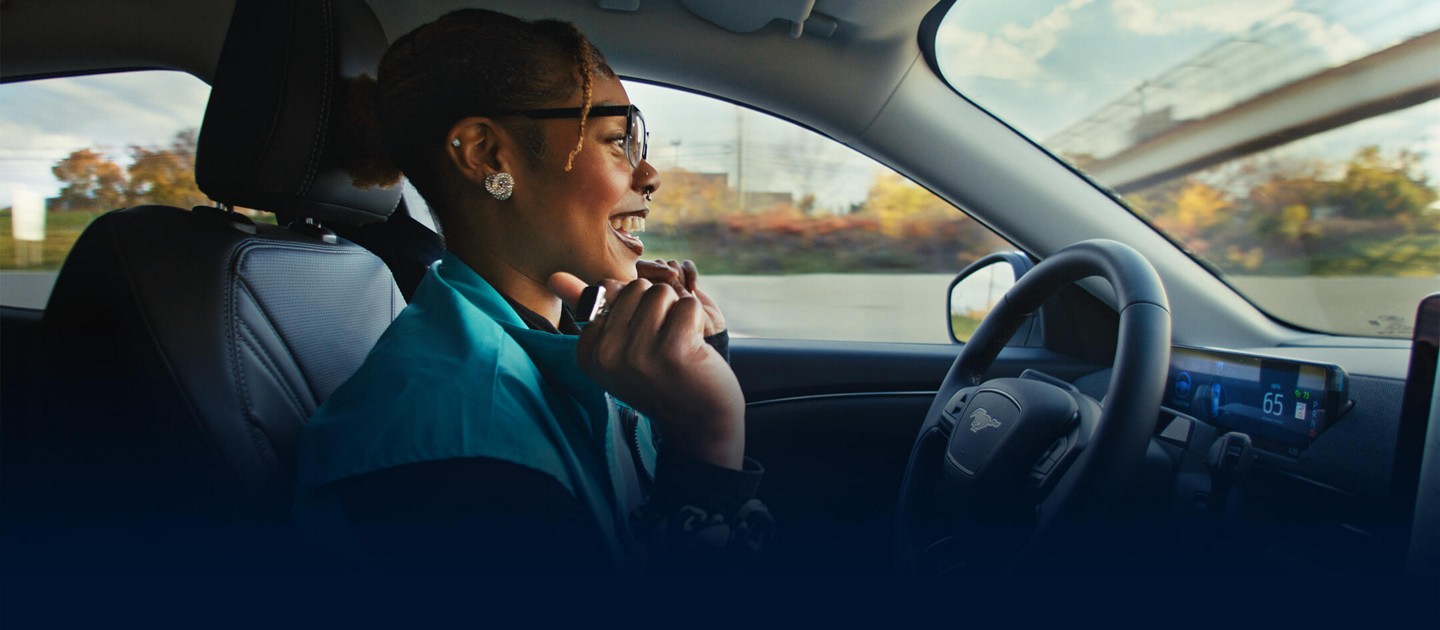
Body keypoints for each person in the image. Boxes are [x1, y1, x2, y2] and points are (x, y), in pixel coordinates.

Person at [292, 9, 771, 574]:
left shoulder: (551, 336)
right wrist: (708, 443)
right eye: (618, 142)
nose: (650, 176)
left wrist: (697, 360)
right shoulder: (459, 456)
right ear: (486, 154)